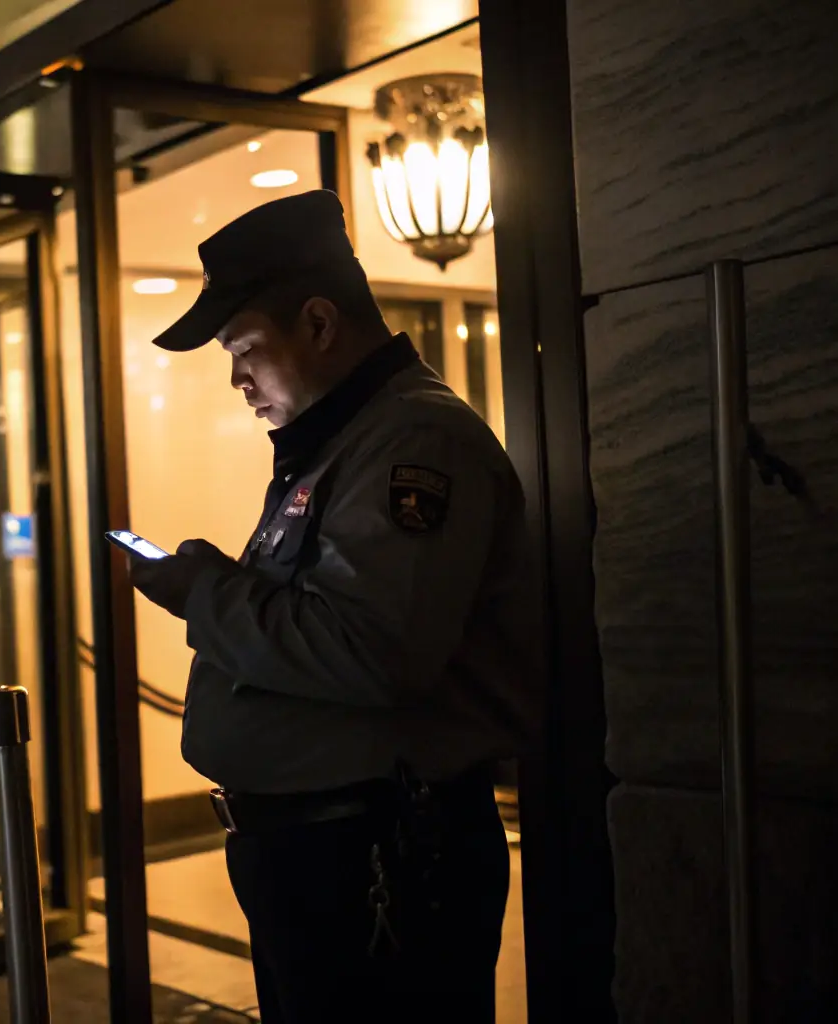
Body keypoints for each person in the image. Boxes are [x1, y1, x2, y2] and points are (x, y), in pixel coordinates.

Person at [127, 190, 541, 1022]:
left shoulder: (411, 444)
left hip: (378, 855)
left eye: (244, 347)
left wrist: (201, 593)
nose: (237, 378)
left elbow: (369, 650)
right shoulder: (340, 445)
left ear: (318, 324)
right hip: (323, 852)